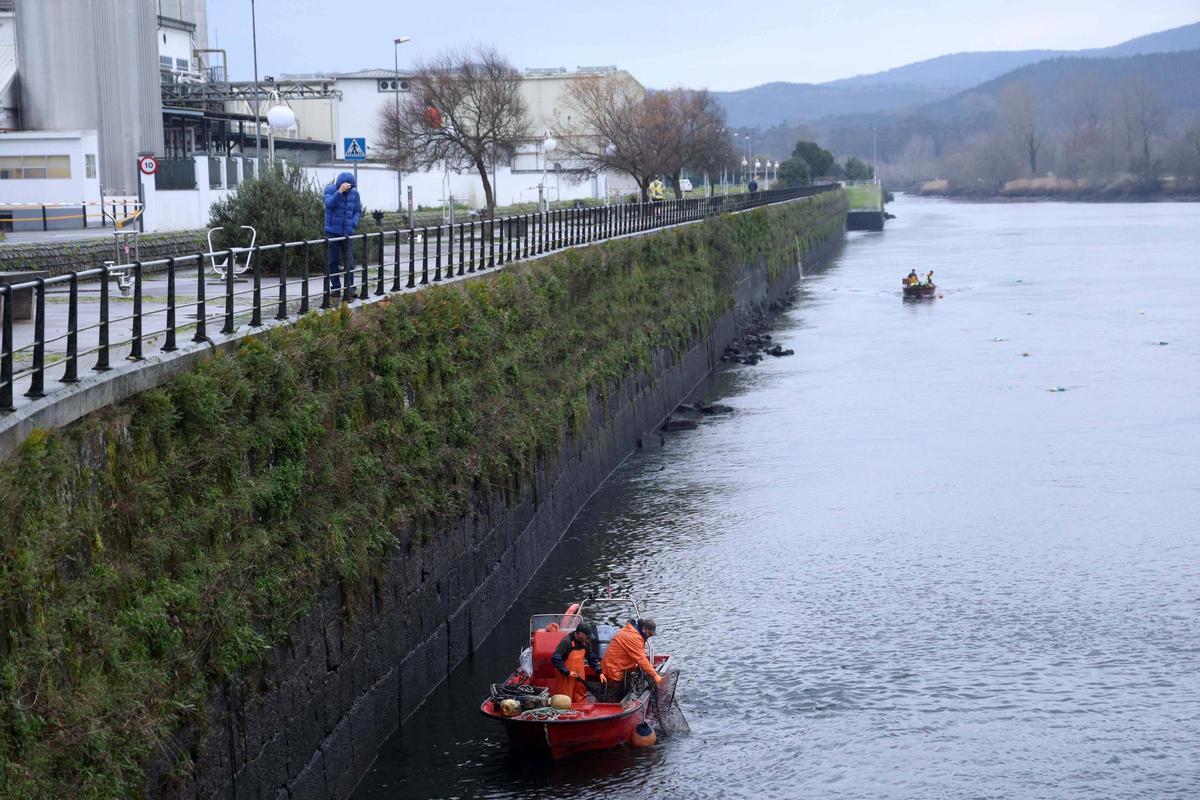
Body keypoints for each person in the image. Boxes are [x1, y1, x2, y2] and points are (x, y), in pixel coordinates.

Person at [600, 618, 663, 699]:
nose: (650, 636)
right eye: (650, 634)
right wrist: (655, 675)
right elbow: (641, 659)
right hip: (613, 669)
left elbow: (637, 655)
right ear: (644, 629)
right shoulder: (634, 637)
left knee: (622, 691)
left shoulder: (632, 630)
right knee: (614, 697)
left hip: (617, 666)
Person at [323, 171, 362, 296]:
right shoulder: (330, 190)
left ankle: (350, 289)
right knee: (333, 261)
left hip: (347, 232)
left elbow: (357, 210)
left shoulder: (355, 194)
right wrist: (339, 192)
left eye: (350, 187)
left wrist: (353, 223)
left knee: (349, 261)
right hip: (332, 232)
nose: (348, 189)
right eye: (346, 187)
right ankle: (335, 288)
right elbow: (329, 204)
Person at [551, 623, 605, 703]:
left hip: (579, 677)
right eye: (587, 636)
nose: (588, 639)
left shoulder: (585, 643)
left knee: (580, 694)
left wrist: (599, 672)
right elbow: (555, 658)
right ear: (580, 634)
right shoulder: (566, 642)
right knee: (565, 699)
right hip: (566, 677)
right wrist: (567, 672)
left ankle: (582, 711)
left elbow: (591, 658)